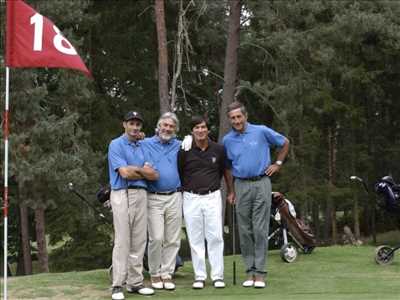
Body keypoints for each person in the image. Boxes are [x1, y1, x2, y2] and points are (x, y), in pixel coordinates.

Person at [223, 101, 289, 288]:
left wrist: (277, 164)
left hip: (261, 183)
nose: (236, 121)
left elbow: (284, 142)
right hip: (241, 185)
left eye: (239, 117)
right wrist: (231, 190)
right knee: (245, 231)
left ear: (245, 116)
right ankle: (249, 272)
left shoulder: (260, 131)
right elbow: (227, 168)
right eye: (233, 118)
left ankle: (260, 273)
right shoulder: (228, 140)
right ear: (229, 120)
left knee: (259, 229)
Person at [178, 115, 234, 289]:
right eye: (196, 128)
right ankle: (200, 276)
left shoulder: (219, 149)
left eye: (203, 127)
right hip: (191, 197)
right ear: (192, 131)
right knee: (195, 239)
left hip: (212, 196)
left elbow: (225, 171)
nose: (200, 130)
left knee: (215, 236)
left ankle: (217, 276)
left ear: (208, 130)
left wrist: (231, 191)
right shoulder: (184, 150)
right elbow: (180, 173)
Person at [108, 111, 159, 300]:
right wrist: (141, 170)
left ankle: (135, 283)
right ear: (124, 124)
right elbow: (125, 174)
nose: (135, 127)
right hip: (123, 193)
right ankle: (117, 285)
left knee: (139, 241)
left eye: (138, 124)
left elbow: (154, 175)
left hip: (141, 193)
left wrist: (137, 170)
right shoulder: (116, 144)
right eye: (132, 123)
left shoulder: (143, 146)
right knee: (122, 241)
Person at [141, 112, 182, 291]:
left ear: (175, 130)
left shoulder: (180, 145)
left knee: (173, 239)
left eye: (171, 126)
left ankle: (167, 273)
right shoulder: (145, 143)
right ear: (158, 127)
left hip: (175, 195)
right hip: (153, 197)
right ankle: (155, 273)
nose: (167, 129)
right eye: (164, 125)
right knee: (156, 238)